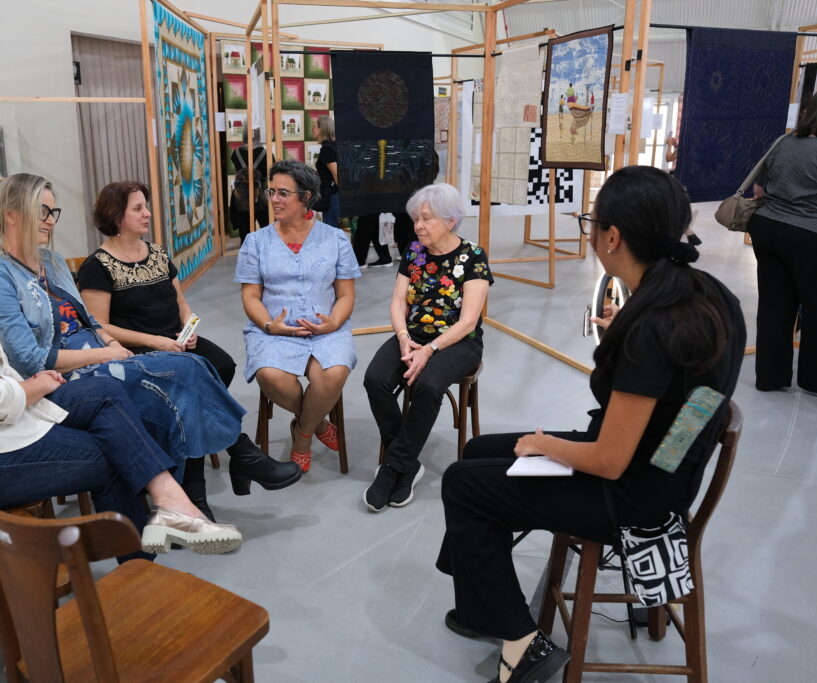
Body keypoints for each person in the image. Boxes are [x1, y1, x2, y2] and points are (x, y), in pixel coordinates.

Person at [437, 166, 746, 683]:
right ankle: (480, 601)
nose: (590, 232)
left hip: (633, 497)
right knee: (478, 451)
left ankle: (520, 642)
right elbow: (691, 400)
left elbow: (608, 460)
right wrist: (626, 335)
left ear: (613, 237)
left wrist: (544, 443)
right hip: (668, 467)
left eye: (591, 222)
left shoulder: (654, 327)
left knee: (461, 484)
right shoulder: (709, 296)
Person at [0, 178, 242, 557]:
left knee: (133, 388)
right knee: (127, 433)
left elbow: (66, 331)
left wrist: (104, 346)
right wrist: (39, 383)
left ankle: (175, 505)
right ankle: (159, 539)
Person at [0, 174, 300, 520]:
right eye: (43, 211)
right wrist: (109, 351)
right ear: (12, 214)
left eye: (53, 213)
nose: (50, 221)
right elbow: (31, 359)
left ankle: (198, 491)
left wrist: (112, 343)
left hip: (103, 358)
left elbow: (91, 321)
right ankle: (235, 460)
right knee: (187, 371)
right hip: (63, 379)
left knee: (193, 371)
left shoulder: (52, 262)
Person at [77, 180, 301, 512]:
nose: (147, 213)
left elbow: (180, 301)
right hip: (137, 352)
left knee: (221, 364)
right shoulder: (97, 266)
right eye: (138, 208)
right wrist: (155, 341)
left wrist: (188, 326)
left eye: (146, 206)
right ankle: (234, 460)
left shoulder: (157, 253)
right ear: (116, 216)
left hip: (175, 342)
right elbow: (100, 326)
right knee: (190, 387)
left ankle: (204, 480)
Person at [362, 183, 491, 512]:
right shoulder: (414, 252)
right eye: (416, 219)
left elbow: (468, 321)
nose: (418, 225)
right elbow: (397, 302)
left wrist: (429, 350)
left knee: (430, 385)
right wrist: (403, 336)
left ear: (451, 220)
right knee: (375, 379)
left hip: (458, 341)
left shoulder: (473, 257)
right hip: (413, 334)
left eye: (426, 219)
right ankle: (406, 465)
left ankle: (393, 467)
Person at [235, 160, 361, 472]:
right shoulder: (256, 242)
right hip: (274, 330)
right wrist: (269, 325)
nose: (274, 199)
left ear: (305, 197)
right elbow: (250, 296)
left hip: (326, 328)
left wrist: (333, 322)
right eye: (271, 192)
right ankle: (318, 424)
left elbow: (346, 295)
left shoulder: (335, 239)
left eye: (283, 193)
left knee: (333, 373)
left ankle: (302, 435)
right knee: (270, 375)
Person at [747, 84, 817, 397]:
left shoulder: (783, 142)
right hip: (811, 234)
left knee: (774, 305)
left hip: (767, 228)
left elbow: (759, 189)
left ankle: (770, 377)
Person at [229, 128, 270, 244]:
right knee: (266, 230)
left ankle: (247, 253)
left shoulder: (235, 153)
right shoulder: (266, 154)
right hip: (261, 197)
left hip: (241, 198)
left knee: (244, 233)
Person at [312, 115, 340, 228]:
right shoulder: (333, 146)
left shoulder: (326, 149)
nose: (312, 129)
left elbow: (337, 174)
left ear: (322, 129)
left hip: (333, 196)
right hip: (335, 195)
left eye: (315, 126)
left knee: (330, 230)